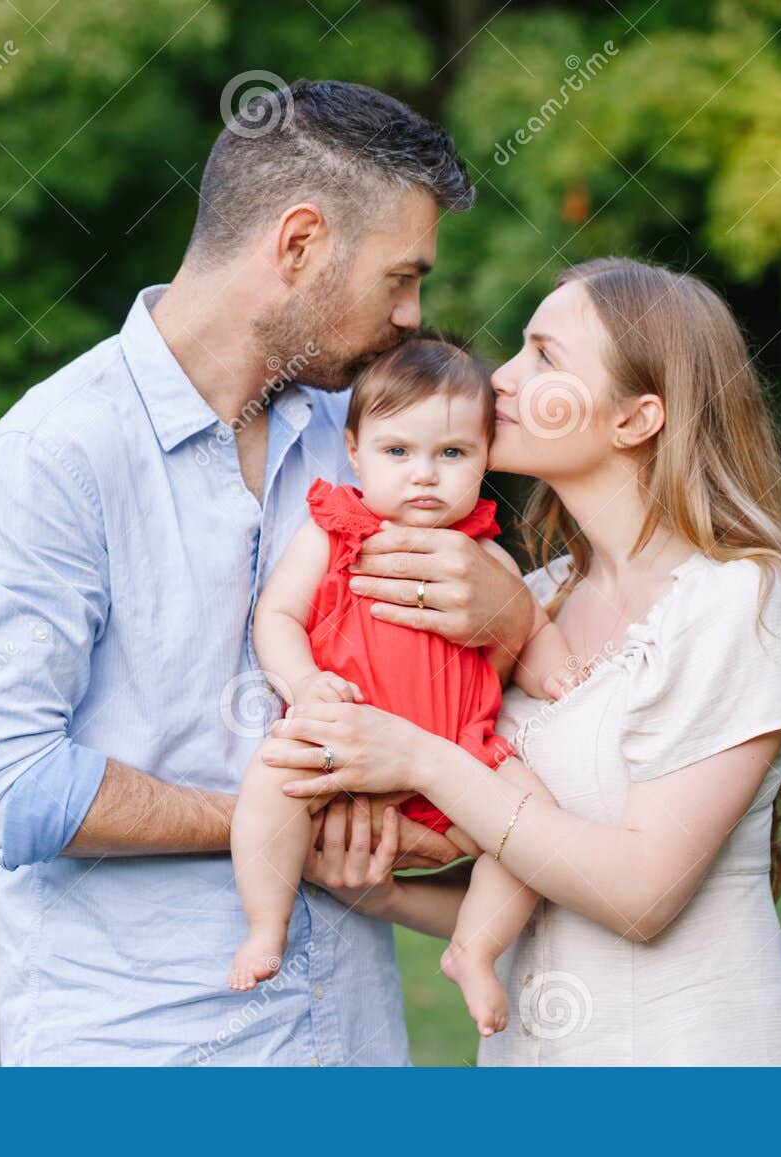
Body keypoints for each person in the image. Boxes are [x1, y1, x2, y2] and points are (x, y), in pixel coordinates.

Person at [0, 80, 533, 1065]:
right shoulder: (54, 456)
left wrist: (503, 615)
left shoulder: (369, 443)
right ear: (297, 245)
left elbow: (463, 691)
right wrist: (283, 814)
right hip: (153, 1051)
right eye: (400, 277)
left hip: (352, 1043)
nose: (414, 313)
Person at [267, 257, 781, 1065]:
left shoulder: (738, 600)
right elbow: (541, 889)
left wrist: (419, 758)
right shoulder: (530, 596)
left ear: (635, 419)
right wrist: (386, 891)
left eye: (543, 357)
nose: (499, 377)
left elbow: (641, 895)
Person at [228, 335, 571, 1039]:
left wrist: (555, 667)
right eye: (398, 452)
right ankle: (267, 922)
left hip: (461, 757)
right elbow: (278, 614)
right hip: (342, 740)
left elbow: (528, 634)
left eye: (452, 454)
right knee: (270, 780)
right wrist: (303, 681)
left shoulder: (485, 553)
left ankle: (474, 949)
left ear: (484, 457)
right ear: (353, 450)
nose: (425, 475)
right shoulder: (333, 532)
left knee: (536, 823)